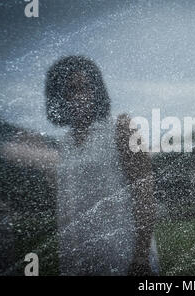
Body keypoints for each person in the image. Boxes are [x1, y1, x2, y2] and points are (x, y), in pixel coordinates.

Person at [45, 56, 158, 275]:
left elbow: (144, 194)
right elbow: (68, 204)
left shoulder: (121, 127)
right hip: (81, 258)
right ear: (59, 97)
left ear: (97, 90)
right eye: (70, 90)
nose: (80, 97)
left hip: (124, 254)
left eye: (86, 87)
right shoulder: (65, 143)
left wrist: (141, 256)